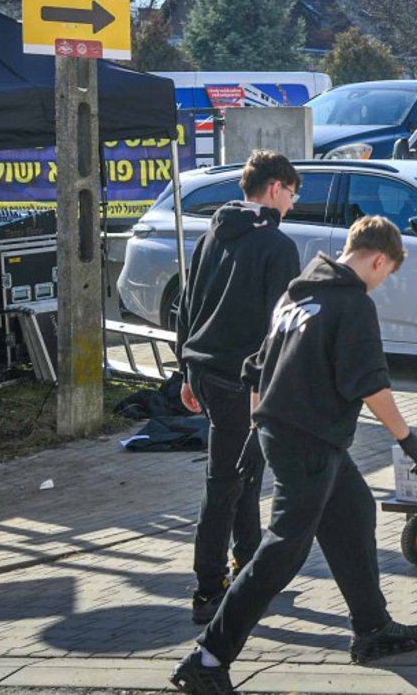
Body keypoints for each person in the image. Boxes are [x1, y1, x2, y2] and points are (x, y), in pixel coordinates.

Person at [171, 216, 417, 695]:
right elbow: (371, 383)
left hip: (293, 434)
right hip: (308, 440)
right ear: (378, 260)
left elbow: (257, 368)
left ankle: (372, 628)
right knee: (283, 550)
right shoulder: (351, 304)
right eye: (386, 273)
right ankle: (208, 658)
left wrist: (255, 429)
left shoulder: (298, 295)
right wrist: (406, 438)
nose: (382, 282)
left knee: (354, 509)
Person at [176, 150, 302, 625]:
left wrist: (185, 369)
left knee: (246, 476)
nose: (290, 204)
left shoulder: (213, 231)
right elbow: (282, 326)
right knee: (225, 483)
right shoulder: (276, 245)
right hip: (240, 379)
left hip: (206, 371)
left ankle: (249, 571)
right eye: (290, 194)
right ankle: (209, 589)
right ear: (273, 189)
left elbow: (189, 302)